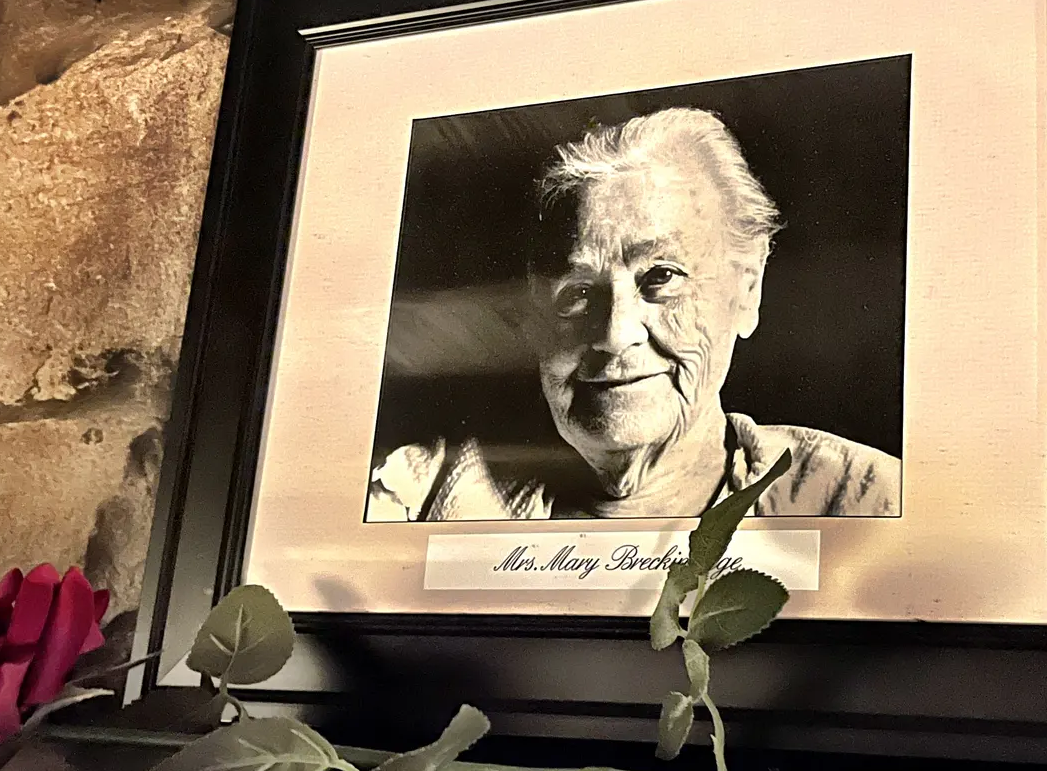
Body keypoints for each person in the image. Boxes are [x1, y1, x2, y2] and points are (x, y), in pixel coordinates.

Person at [366, 107, 902, 521]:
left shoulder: (861, 500)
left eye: (661, 277)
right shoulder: (411, 499)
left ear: (747, 291)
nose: (615, 333)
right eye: (576, 291)